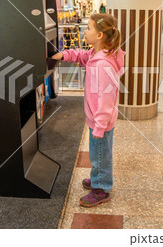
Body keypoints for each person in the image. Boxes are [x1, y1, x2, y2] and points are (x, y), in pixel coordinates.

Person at [51, 13, 125, 207]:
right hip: (96, 120)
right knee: (97, 153)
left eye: (89, 28)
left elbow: (106, 100)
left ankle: (102, 189)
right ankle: (97, 178)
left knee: (101, 155)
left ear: (100, 35)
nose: (85, 31)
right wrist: (65, 55)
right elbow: (82, 56)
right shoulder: (96, 54)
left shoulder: (103, 65)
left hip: (101, 122)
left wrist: (99, 126)